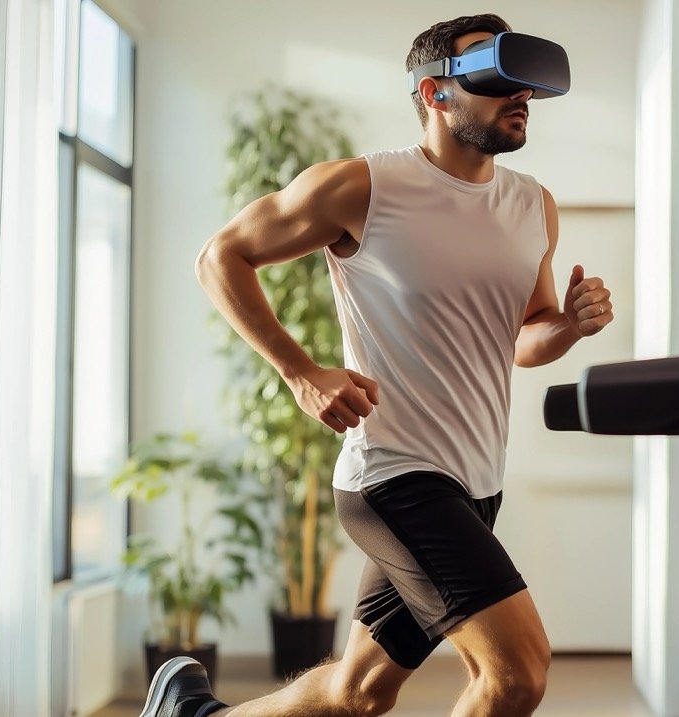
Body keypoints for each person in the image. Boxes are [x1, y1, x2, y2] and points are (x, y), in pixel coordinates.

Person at [139, 13, 615, 717]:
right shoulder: (362, 187)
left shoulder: (532, 206)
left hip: (477, 482)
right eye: (495, 79)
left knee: (357, 693)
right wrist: (302, 372)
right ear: (434, 93)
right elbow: (219, 258)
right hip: (395, 476)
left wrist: (568, 326)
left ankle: (192, 713)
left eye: (524, 88)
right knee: (517, 675)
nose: (520, 97)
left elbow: (526, 336)